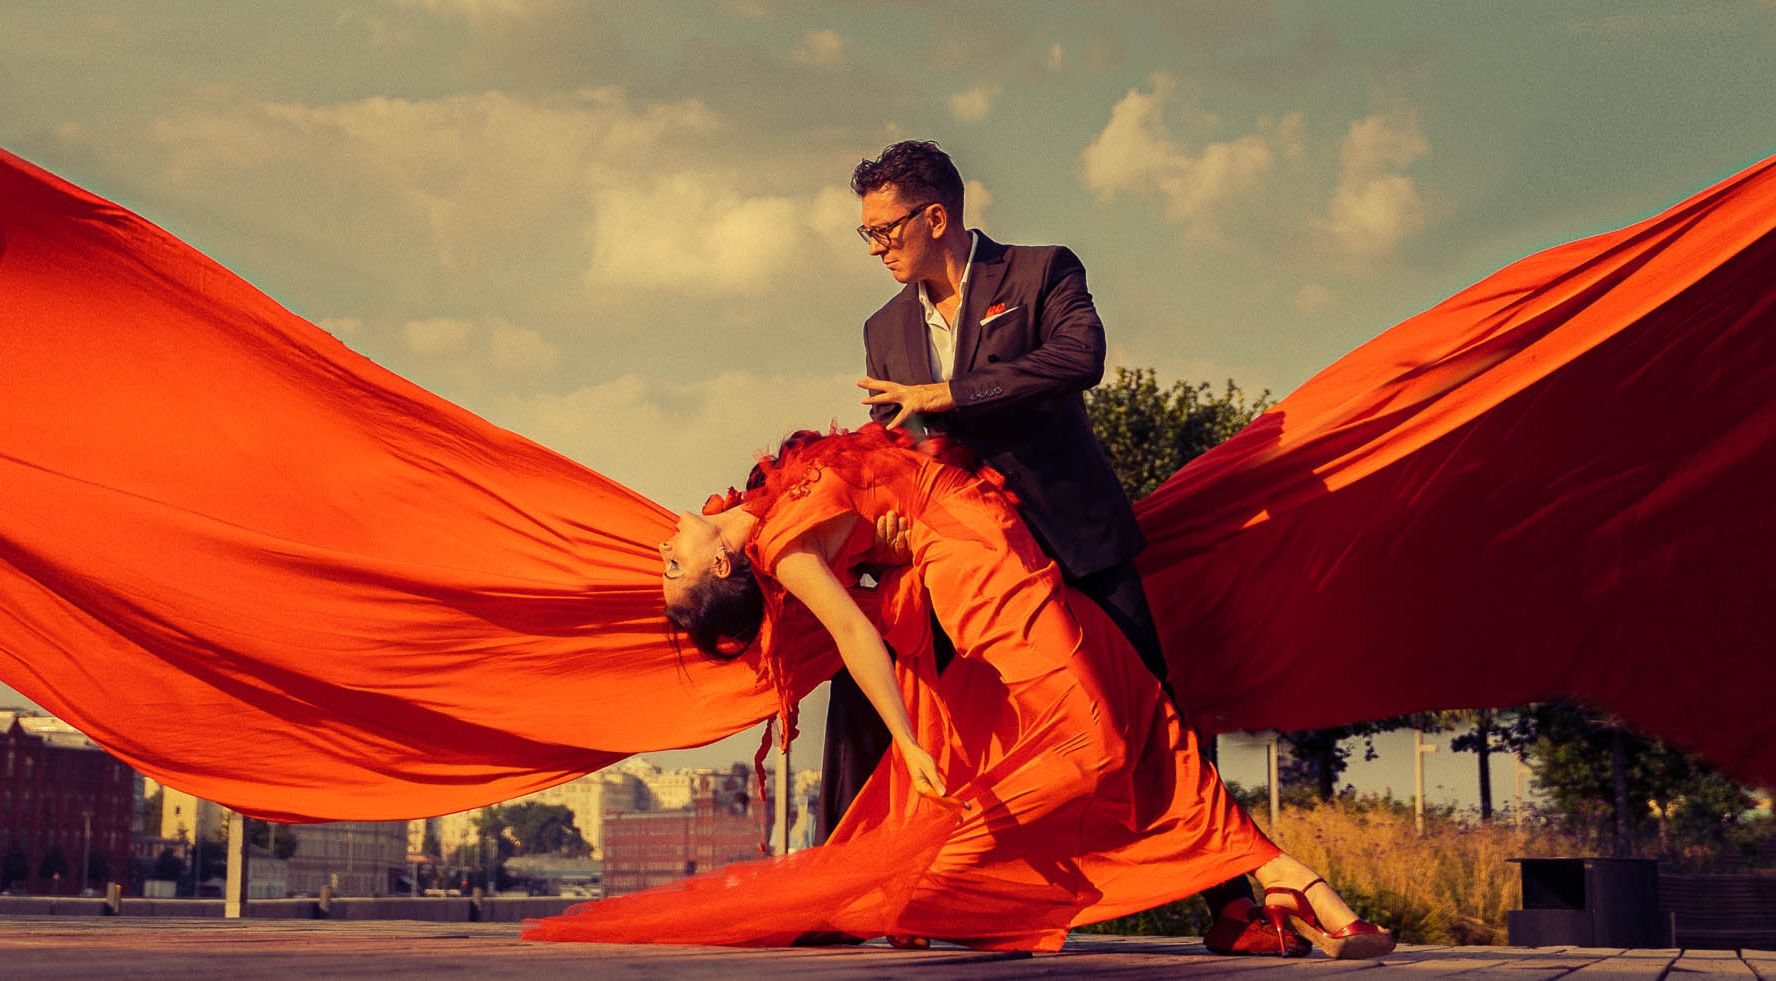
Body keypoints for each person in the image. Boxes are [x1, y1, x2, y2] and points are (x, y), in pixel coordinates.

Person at [530, 425, 1392, 955]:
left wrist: (886, 529)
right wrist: (908, 739)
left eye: (663, 565)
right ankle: (923, 874)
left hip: (987, 532)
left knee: (1142, 716)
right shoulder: (781, 548)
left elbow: (874, 502)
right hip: (973, 563)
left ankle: (1287, 877)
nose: (662, 551)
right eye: (673, 568)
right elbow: (854, 631)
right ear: (724, 566)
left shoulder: (763, 496)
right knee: (1097, 741)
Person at [832, 140, 1277, 952]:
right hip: (962, 556)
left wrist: (949, 392)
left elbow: (1080, 358)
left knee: (1154, 711)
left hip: (1073, 536)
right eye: (867, 233)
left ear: (936, 217)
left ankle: (1233, 903)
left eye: (885, 229)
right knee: (869, 680)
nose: (875, 248)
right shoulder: (882, 327)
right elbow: (893, 441)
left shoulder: (1041, 272)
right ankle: (852, 889)